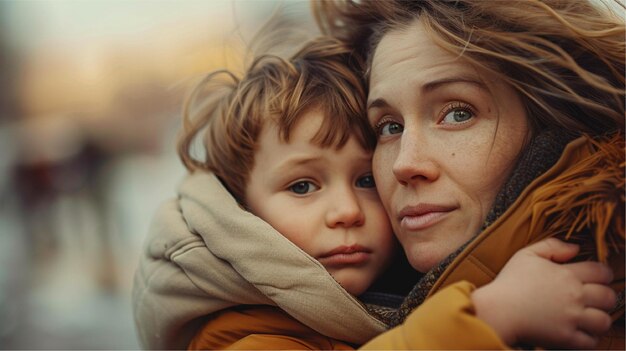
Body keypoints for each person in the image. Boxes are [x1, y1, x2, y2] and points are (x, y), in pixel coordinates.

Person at [132, 33, 616, 350]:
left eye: (365, 180)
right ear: (242, 207)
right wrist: (488, 316)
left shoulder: (378, 300)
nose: (347, 212)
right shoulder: (244, 331)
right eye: (303, 186)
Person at [312, 0, 625, 349]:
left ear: (548, 127)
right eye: (389, 127)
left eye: (458, 114)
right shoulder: (314, 322)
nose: (404, 164)